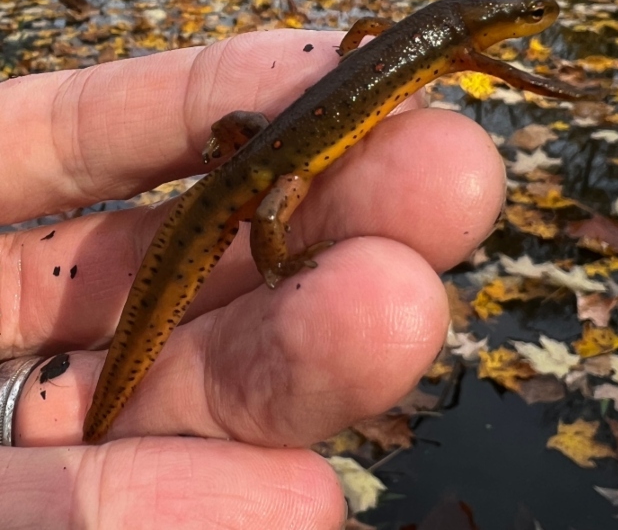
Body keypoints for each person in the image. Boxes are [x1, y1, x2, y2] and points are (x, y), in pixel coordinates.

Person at [0, 27, 505, 529]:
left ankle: (92, 416)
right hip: (277, 165)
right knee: (269, 216)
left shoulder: (426, 38)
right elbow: (266, 218)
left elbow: (363, 35)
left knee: (257, 157)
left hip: (263, 144)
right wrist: (278, 267)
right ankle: (272, 267)